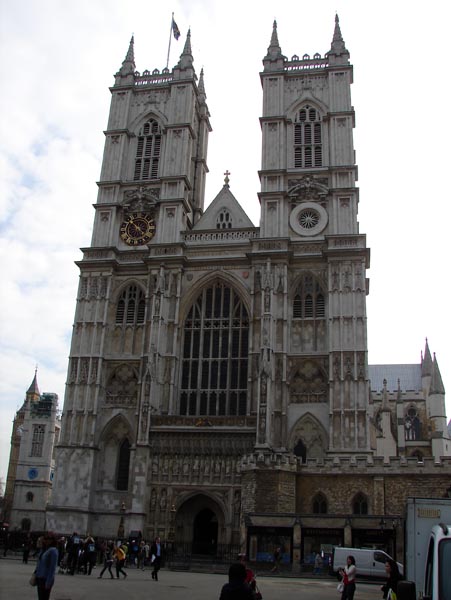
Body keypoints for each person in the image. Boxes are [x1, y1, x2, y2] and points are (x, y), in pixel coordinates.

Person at [35, 533, 59, 600]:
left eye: (49, 539)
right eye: (45, 538)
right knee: (40, 598)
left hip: (46, 578)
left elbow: (52, 568)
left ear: (53, 540)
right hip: (39, 577)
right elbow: (39, 563)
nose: (46, 540)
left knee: (44, 598)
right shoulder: (44, 549)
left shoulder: (53, 551)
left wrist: (48, 582)